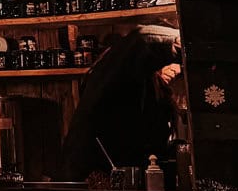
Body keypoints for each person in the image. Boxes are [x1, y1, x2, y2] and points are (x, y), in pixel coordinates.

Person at [61, 25, 185, 181]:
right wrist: (181, 43)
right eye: (172, 62)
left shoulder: (152, 91)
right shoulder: (119, 66)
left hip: (124, 175)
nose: (177, 70)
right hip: (99, 176)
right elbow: (141, 39)